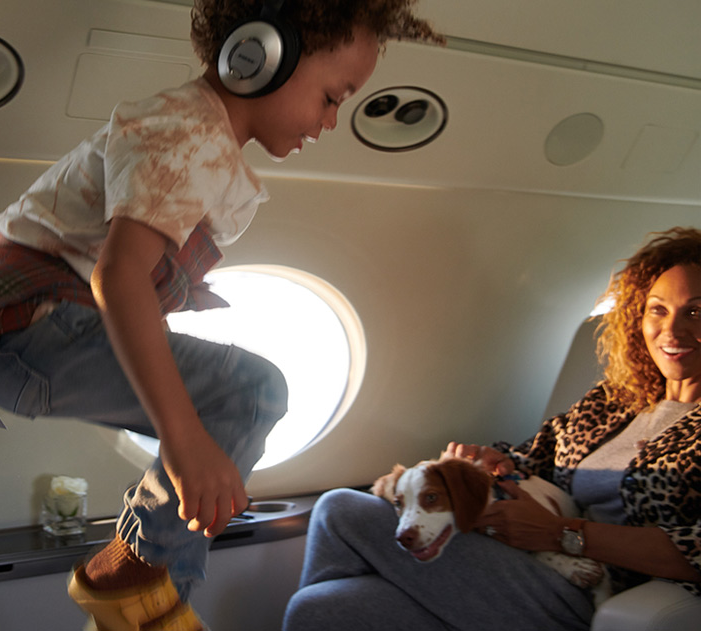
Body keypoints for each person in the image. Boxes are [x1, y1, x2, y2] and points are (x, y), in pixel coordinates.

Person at [0, 1, 443, 629]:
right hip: (32, 330)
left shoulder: (202, 142)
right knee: (253, 389)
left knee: (231, 403)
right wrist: (183, 442)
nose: (332, 120)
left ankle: (141, 589)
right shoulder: (188, 132)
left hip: (32, 339)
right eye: (332, 96)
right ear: (261, 57)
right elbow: (118, 277)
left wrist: (196, 441)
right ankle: (138, 583)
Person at [283, 226, 701, 631]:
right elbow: (535, 455)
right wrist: (493, 462)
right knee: (319, 610)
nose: (672, 329)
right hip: (521, 557)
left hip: (592, 587)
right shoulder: (616, 400)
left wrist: (562, 535)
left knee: (340, 509)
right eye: (657, 310)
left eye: (696, 311)